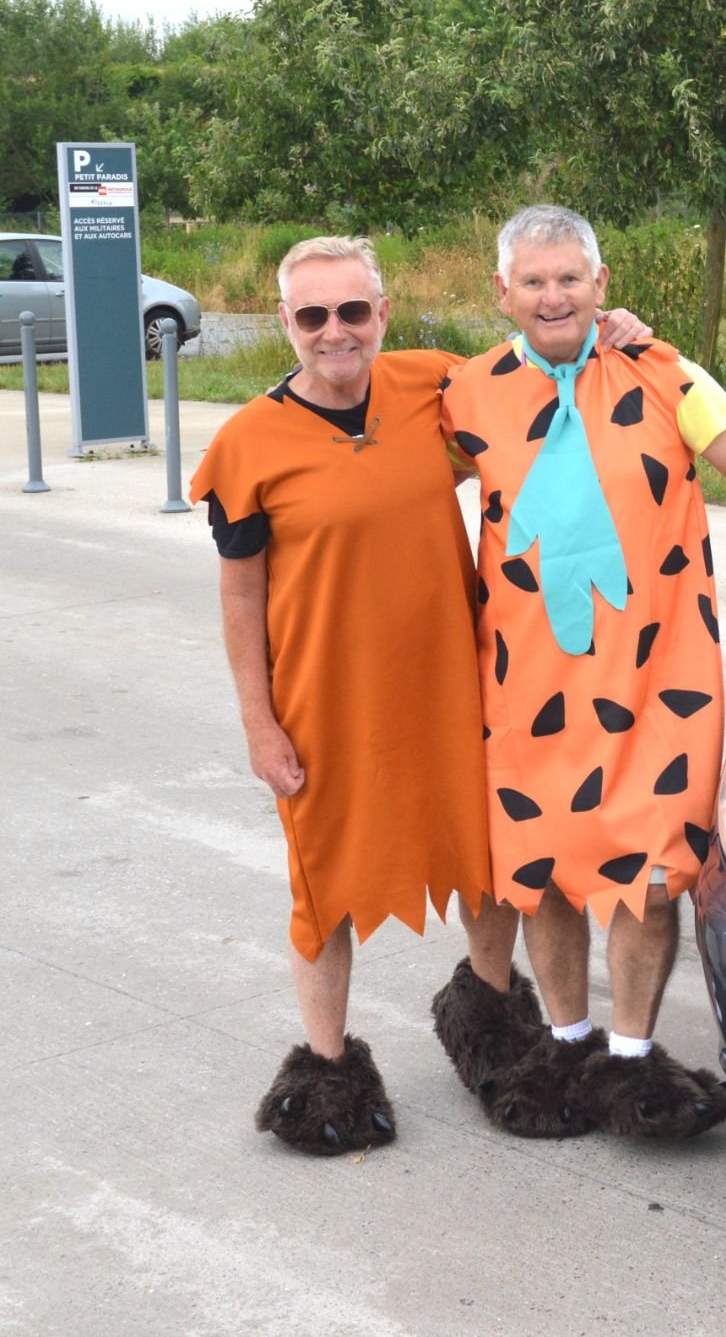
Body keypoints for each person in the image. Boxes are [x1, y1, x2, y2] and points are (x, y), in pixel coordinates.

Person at [191, 236, 649, 1156]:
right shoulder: (246, 445)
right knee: (326, 887)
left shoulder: (432, 386)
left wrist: (613, 333)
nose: (335, 332)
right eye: (313, 315)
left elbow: (546, 375)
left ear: (383, 312)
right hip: (327, 702)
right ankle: (326, 1069)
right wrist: (258, 721)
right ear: (286, 321)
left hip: (460, 684)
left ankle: (486, 1019)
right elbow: (241, 595)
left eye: (352, 311)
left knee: (486, 860)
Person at [435, 204, 726, 1141]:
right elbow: (394, 493)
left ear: (600, 283)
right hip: (524, 683)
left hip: (655, 680)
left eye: (570, 278)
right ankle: (566, 1041)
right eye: (534, 281)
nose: (553, 296)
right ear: (502, 293)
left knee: (651, 875)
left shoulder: (667, 373)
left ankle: (630, 1062)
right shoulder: (466, 394)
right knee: (543, 870)